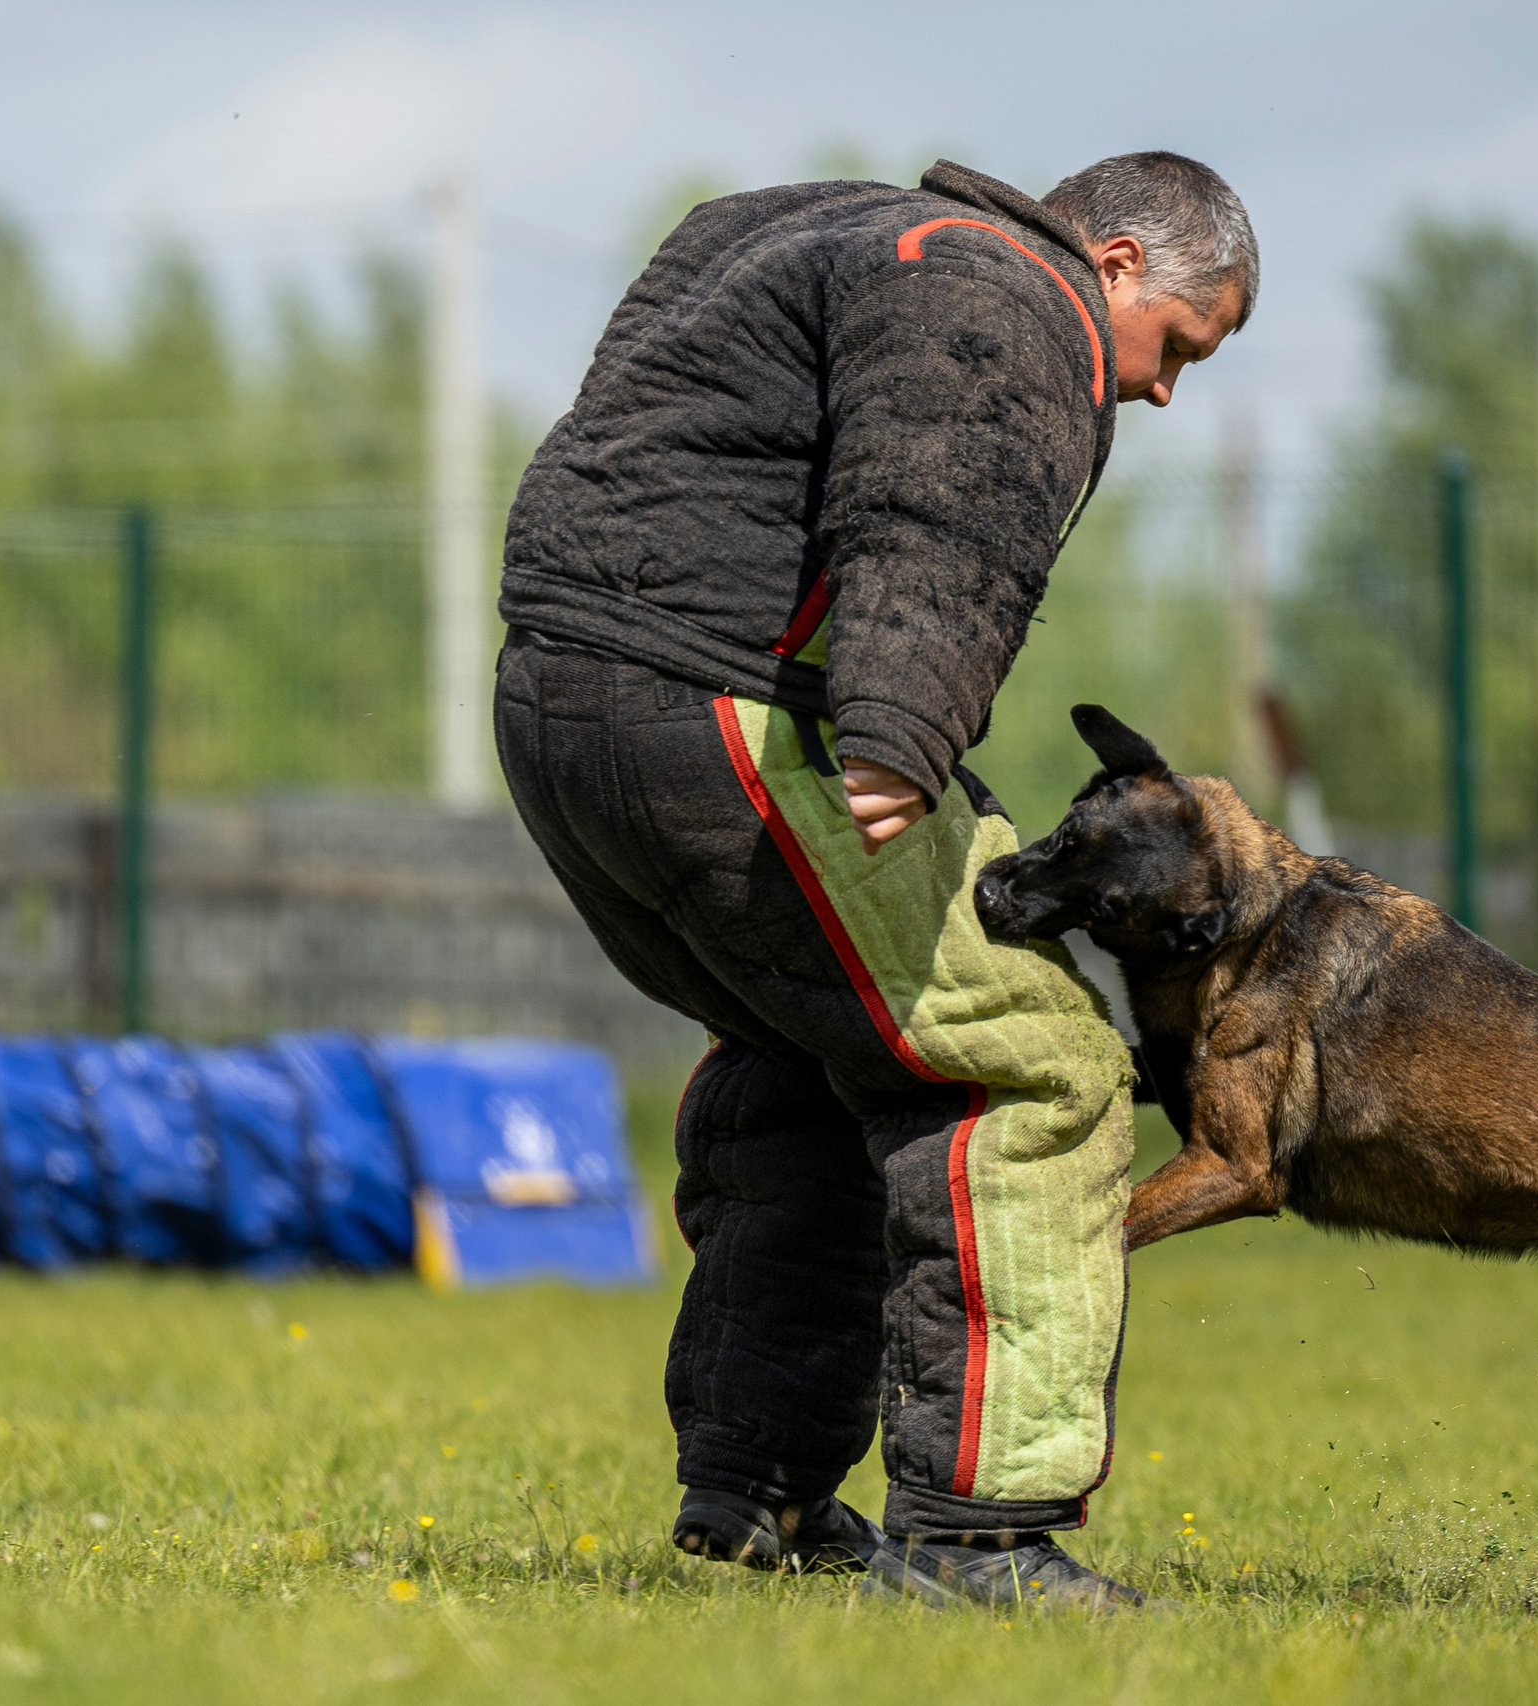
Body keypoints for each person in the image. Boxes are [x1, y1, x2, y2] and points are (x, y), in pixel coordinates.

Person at [493, 152, 1256, 1608]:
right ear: (1113, 263)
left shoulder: (815, 222)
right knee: (1040, 1066)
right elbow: (939, 491)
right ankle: (981, 1532)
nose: (1163, 392)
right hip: (716, 705)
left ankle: (754, 1488)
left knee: (821, 1047)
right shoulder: (1005, 285)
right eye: (1180, 348)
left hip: (558, 704)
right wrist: (905, 722)